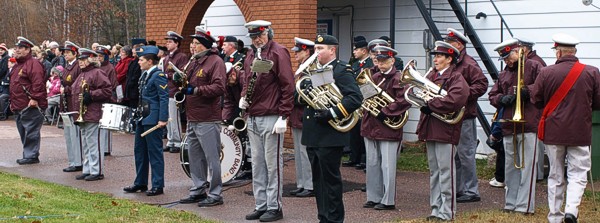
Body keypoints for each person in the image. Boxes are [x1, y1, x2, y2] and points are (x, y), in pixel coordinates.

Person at [532, 33, 600, 223]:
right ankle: (571, 211)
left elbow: (536, 100)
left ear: (559, 52)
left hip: (553, 133)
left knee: (555, 174)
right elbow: (598, 103)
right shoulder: (592, 72)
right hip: (580, 132)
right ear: (574, 51)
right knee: (578, 173)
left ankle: (555, 216)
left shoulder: (546, 73)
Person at [299, 34, 363, 223]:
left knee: (331, 182)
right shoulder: (313, 72)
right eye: (316, 49)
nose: (316, 52)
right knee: (318, 182)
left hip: (330, 135)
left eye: (320, 49)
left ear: (332, 50)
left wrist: (332, 113)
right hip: (313, 134)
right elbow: (299, 97)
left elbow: (355, 98)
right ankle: (323, 218)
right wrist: (305, 90)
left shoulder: (342, 70)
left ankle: (334, 220)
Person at [237, 20, 294, 222]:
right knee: (258, 164)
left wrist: (283, 115)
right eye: (253, 37)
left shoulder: (279, 52)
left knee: (273, 165)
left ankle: (274, 206)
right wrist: (244, 97)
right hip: (252, 115)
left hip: (271, 115)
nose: (257, 40)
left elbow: (288, 86)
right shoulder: (251, 54)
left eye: (259, 36)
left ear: (268, 33)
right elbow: (246, 80)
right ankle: (260, 204)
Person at [488, 38, 543, 215]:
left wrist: (528, 91)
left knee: (527, 166)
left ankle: (525, 206)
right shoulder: (504, 74)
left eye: (508, 57)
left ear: (517, 52)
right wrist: (501, 99)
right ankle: (510, 203)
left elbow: (544, 86)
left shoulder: (534, 66)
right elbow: (493, 94)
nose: (507, 61)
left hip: (528, 123)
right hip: (508, 125)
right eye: (504, 59)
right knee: (511, 166)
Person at [416, 41, 469, 221]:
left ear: (449, 58)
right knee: (435, 171)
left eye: (439, 56)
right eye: (435, 56)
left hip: (446, 129)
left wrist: (431, 104)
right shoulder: (431, 75)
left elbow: (456, 100)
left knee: (446, 171)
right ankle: (435, 208)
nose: (436, 59)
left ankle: (447, 212)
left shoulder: (456, 78)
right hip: (431, 127)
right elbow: (419, 92)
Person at [177, 26, 226, 207]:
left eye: (196, 43)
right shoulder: (194, 61)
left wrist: (196, 90)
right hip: (192, 115)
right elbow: (187, 82)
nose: (192, 46)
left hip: (207, 117)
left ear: (205, 45)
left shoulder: (215, 61)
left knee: (212, 158)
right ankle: (198, 189)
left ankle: (215, 194)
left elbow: (219, 88)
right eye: (193, 43)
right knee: (195, 156)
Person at [360, 46, 411, 211]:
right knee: (372, 163)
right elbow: (367, 97)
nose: (380, 64)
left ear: (392, 60)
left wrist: (386, 111)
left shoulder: (398, 78)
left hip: (388, 126)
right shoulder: (374, 76)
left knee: (388, 165)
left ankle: (388, 200)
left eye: (384, 61)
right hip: (371, 125)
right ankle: (373, 197)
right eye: (378, 61)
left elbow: (404, 100)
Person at [443, 28, 488, 203]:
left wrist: (462, 95)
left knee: (466, 154)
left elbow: (482, 84)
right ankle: (459, 188)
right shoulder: (453, 62)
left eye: (450, 42)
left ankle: (471, 190)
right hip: (452, 114)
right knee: (456, 154)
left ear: (459, 45)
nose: (447, 44)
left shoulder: (469, 63)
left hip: (465, 115)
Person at [123, 45, 169, 196]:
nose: (139, 62)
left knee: (154, 153)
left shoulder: (158, 75)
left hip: (153, 119)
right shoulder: (144, 75)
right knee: (140, 151)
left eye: (141, 60)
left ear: (150, 61)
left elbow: (163, 98)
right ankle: (140, 182)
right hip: (143, 117)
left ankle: (157, 185)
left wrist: (162, 119)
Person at [71, 48, 112, 181]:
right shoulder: (82, 74)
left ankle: (97, 170)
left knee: (94, 144)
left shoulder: (97, 72)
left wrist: (92, 95)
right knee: (87, 144)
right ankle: (87, 169)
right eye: (79, 59)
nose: (80, 62)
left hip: (94, 113)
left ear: (90, 60)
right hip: (84, 114)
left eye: (83, 59)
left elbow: (107, 90)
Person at [514, 36, 548, 182]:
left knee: (537, 143)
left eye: (518, 49)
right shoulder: (522, 62)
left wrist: (526, 90)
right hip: (527, 108)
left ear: (524, 49)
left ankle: (538, 174)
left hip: (534, 107)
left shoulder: (536, 63)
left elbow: (542, 84)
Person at [10, 37, 48, 165]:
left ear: (28, 49)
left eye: (20, 48)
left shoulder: (33, 63)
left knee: (31, 130)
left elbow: (38, 83)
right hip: (19, 104)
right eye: (16, 48)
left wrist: (35, 98)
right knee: (24, 131)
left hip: (30, 104)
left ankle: (31, 155)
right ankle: (29, 154)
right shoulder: (17, 65)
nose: (17, 50)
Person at [288, 37, 314, 198]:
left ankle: (310, 185)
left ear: (307, 51)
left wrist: (292, 96)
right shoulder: (301, 68)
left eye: (299, 52)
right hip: (297, 115)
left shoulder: (312, 68)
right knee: (298, 152)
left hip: (305, 115)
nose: (295, 55)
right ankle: (301, 183)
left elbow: (309, 94)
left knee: (306, 152)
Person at [343, 36, 373, 170]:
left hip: (365, 98)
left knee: (363, 130)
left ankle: (363, 158)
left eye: (356, 50)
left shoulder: (371, 64)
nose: (354, 52)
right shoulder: (354, 65)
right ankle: (353, 157)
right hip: (354, 99)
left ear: (364, 51)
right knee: (353, 130)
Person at [162, 31, 188, 153]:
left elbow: (181, 74)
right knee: (167, 118)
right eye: (167, 42)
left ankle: (177, 141)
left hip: (174, 89)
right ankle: (171, 139)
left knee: (174, 117)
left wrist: (167, 75)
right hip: (166, 90)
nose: (167, 44)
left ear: (176, 43)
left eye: (170, 42)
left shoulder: (181, 57)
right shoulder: (166, 57)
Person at [60, 41, 84, 172]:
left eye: (68, 53)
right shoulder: (67, 66)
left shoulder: (77, 66)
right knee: (68, 134)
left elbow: (78, 84)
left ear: (75, 53)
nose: (65, 55)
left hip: (73, 103)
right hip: (66, 103)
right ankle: (72, 161)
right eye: (65, 53)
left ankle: (78, 161)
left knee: (75, 135)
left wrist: (67, 89)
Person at [96, 45, 117, 156]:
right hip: (99, 97)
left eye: (101, 56)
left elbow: (113, 84)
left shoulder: (110, 68)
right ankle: (101, 145)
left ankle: (107, 148)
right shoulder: (97, 67)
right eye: (97, 56)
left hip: (108, 97)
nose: (98, 58)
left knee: (106, 123)